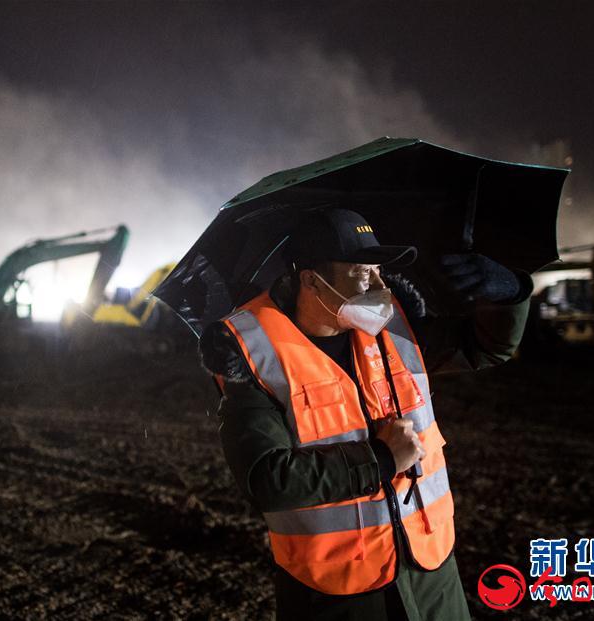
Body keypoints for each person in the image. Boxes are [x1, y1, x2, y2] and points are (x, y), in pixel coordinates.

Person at [199, 209, 533, 620]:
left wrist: (510, 292)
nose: (379, 285)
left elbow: (488, 347)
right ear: (311, 280)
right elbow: (269, 480)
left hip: (430, 573)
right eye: (363, 273)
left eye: (378, 271)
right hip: (336, 593)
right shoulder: (254, 355)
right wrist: (382, 459)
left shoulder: (395, 328)